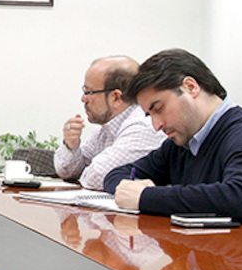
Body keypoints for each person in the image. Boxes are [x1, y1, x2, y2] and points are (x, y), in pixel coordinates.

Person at [104, 49, 242, 228]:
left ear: (190, 87)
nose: (156, 125)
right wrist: (129, 190)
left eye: (159, 109)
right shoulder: (181, 145)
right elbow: (118, 174)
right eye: (150, 115)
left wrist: (147, 197)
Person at [54, 56, 166, 190]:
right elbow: (67, 172)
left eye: (89, 92)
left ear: (116, 97)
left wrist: (84, 172)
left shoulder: (142, 125)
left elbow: (96, 177)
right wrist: (71, 146)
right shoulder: (106, 127)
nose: (83, 99)